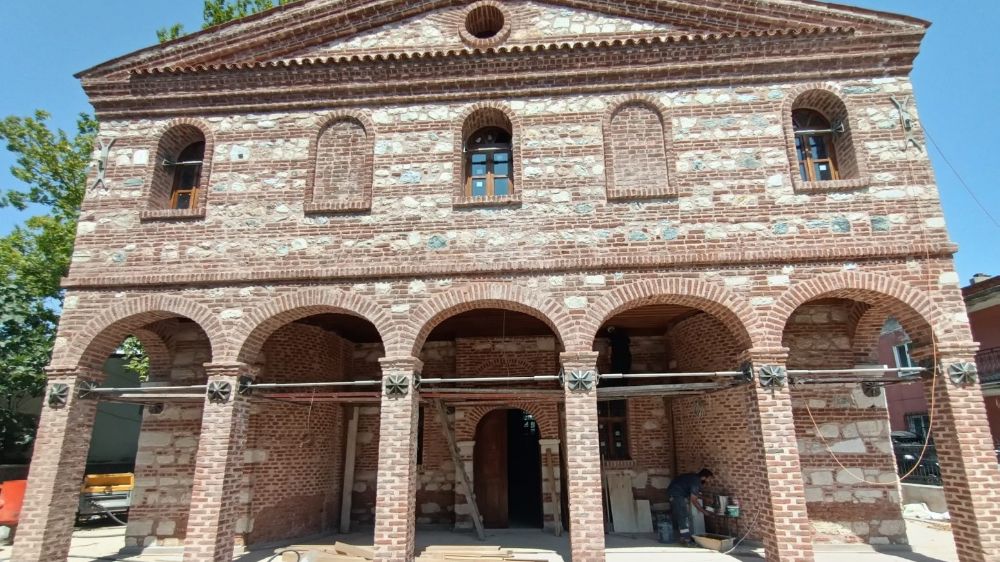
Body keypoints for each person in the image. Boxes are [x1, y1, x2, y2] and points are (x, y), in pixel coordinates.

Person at [667, 468, 714, 545]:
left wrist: (706, 498)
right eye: (709, 479)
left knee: (682, 515)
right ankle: (686, 539)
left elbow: (694, 493)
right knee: (683, 515)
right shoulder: (696, 482)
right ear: (704, 477)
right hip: (676, 494)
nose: (709, 481)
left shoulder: (693, 477)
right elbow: (694, 500)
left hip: (674, 492)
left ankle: (683, 537)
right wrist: (704, 512)